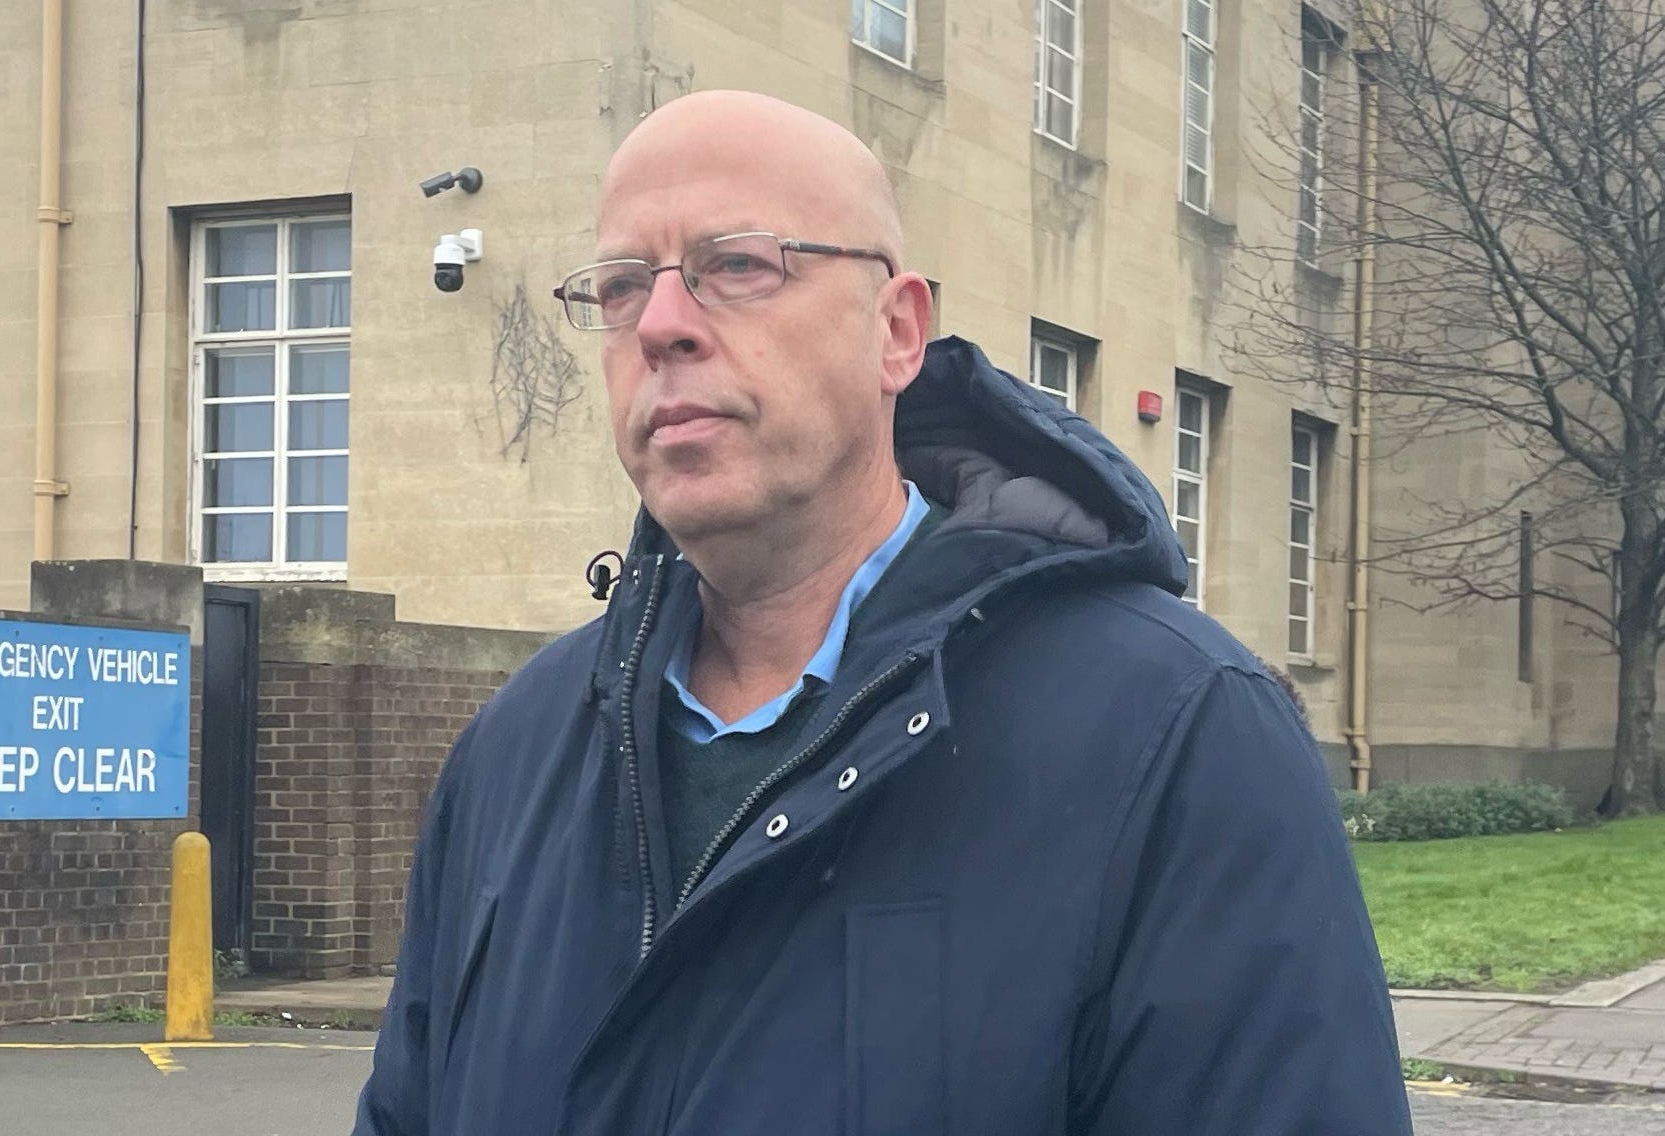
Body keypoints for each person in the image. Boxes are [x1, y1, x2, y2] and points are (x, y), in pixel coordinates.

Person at [354, 90, 1412, 1135]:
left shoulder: (1181, 735)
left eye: (738, 265)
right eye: (624, 286)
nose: (664, 325)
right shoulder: (514, 748)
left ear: (897, 330)